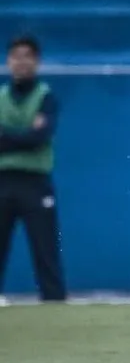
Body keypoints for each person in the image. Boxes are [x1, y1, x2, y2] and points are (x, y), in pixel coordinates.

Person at [0, 36, 66, 303]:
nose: (21, 62)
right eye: (16, 56)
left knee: (45, 248)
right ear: (8, 60)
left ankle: (54, 301)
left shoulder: (46, 96)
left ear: (36, 61)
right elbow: (30, 136)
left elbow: (39, 137)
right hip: (3, 181)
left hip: (36, 183)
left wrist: (7, 136)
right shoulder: (2, 97)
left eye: (27, 56)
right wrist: (25, 134)